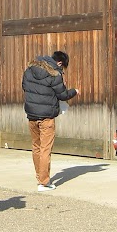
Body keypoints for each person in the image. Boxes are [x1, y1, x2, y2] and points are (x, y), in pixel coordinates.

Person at [22, 50, 77, 191]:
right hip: (46, 117)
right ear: (59, 63)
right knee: (45, 149)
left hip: (32, 115)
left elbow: (25, 87)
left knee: (36, 147)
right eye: (62, 67)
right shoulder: (55, 74)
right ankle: (44, 182)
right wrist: (74, 91)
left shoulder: (29, 71)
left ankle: (39, 177)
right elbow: (63, 95)